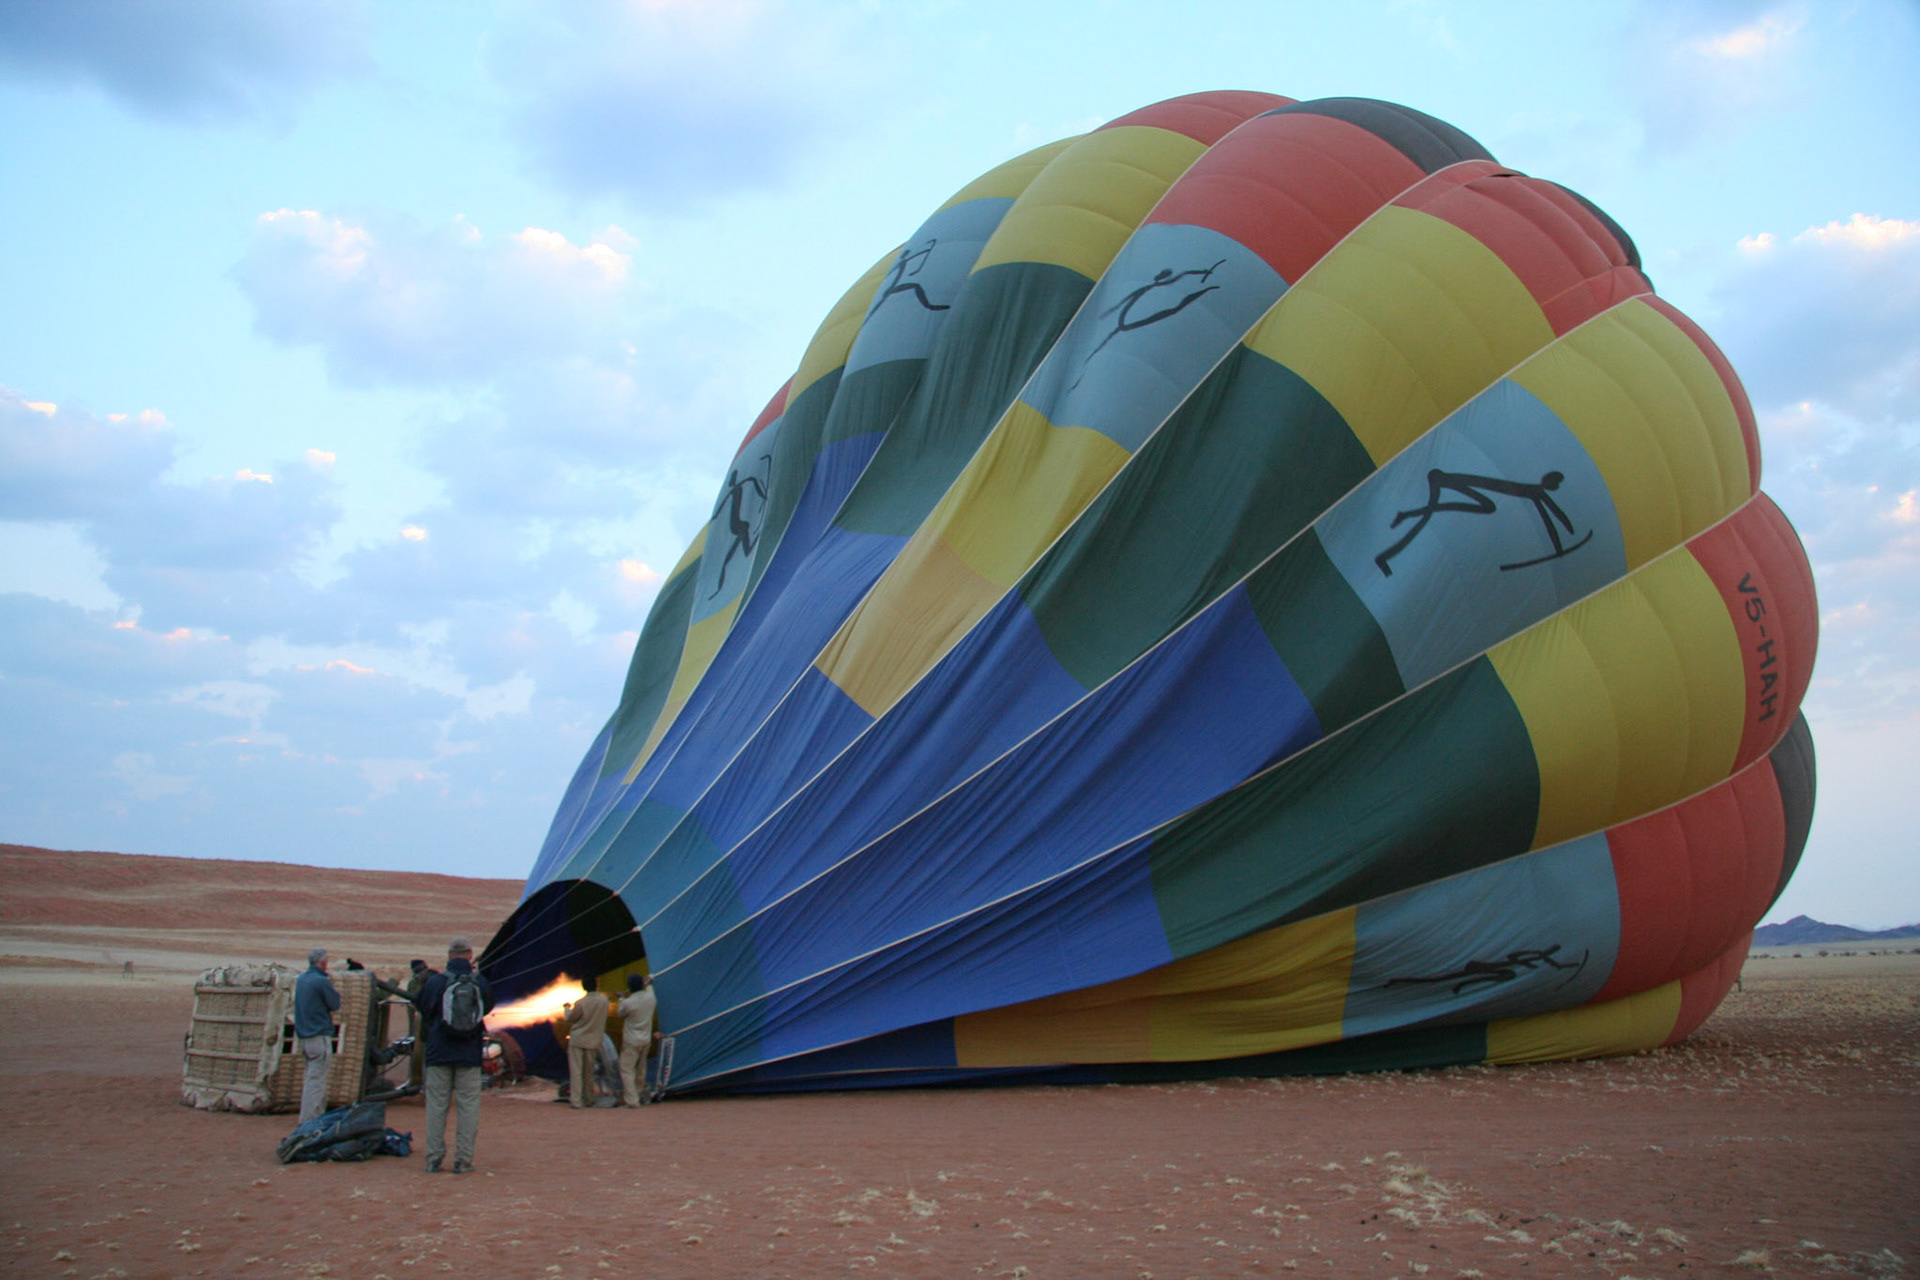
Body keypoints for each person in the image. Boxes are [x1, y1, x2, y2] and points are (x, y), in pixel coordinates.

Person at [413, 937, 494, 1173]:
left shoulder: (436, 982)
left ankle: (433, 1158)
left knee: (436, 1107)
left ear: (449, 955)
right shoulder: (480, 982)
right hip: (469, 1053)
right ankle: (463, 1159)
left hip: (438, 1052)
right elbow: (487, 1007)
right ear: (469, 955)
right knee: (468, 1107)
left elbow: (422, 1006)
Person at [293, 946, 340, 1123]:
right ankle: (309, 1120)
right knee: (317, 1081)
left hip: (304, 1036)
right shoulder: (321, 981)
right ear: (323, 962)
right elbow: (335, 1004)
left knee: (310, 1077)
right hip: (319, 1035)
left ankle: (315, 1117)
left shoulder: (302, 979)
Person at [563, 975, 610, 1109]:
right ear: (596, 985)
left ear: (584, 987)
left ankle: (576, 1101)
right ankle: (589, 1099)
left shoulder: (580, 1003)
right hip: (593, 1041)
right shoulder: (604, 1001)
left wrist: (566, 1008)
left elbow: (570, 1018)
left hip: (578, 1040)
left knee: (576, 1071)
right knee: (589, 1072)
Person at [616, 973, 659, 1107]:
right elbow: (650, 984)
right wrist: (649, 982)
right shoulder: (651, 997)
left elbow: (620, 1013)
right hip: (646, 1039)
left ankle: (632, 1100)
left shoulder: (628, 1003)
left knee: (627, 1070)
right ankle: (639, 1094)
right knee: (641, 1068)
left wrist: (621, 998)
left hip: (631, 1041)